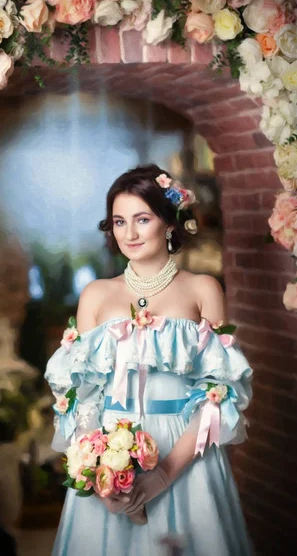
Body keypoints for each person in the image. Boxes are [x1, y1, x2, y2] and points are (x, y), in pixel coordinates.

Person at [45, 164, 254, 556]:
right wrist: (95, 477)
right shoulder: (96, 294)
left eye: (142, 219)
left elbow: (220, 393)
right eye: (119, 221)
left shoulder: (202, 289)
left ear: (169, 223)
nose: (129, 233)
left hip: (184, 455)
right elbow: (79, 397)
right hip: (110, 455)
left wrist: (163, 475)